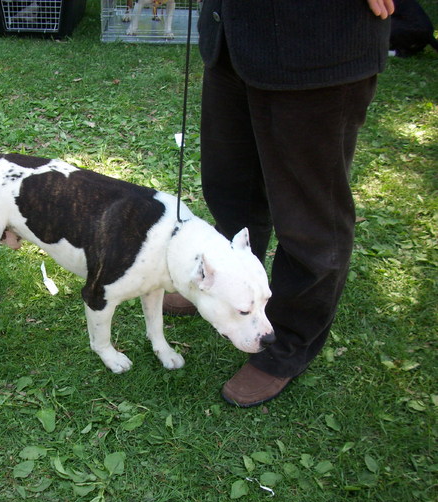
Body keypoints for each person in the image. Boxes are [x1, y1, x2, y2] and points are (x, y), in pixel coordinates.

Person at [164, 0, 395, 407]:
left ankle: (287, 342)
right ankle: (222, 288)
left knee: (308, 217)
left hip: (317, 47)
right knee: (230, 188)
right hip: (231, 36)